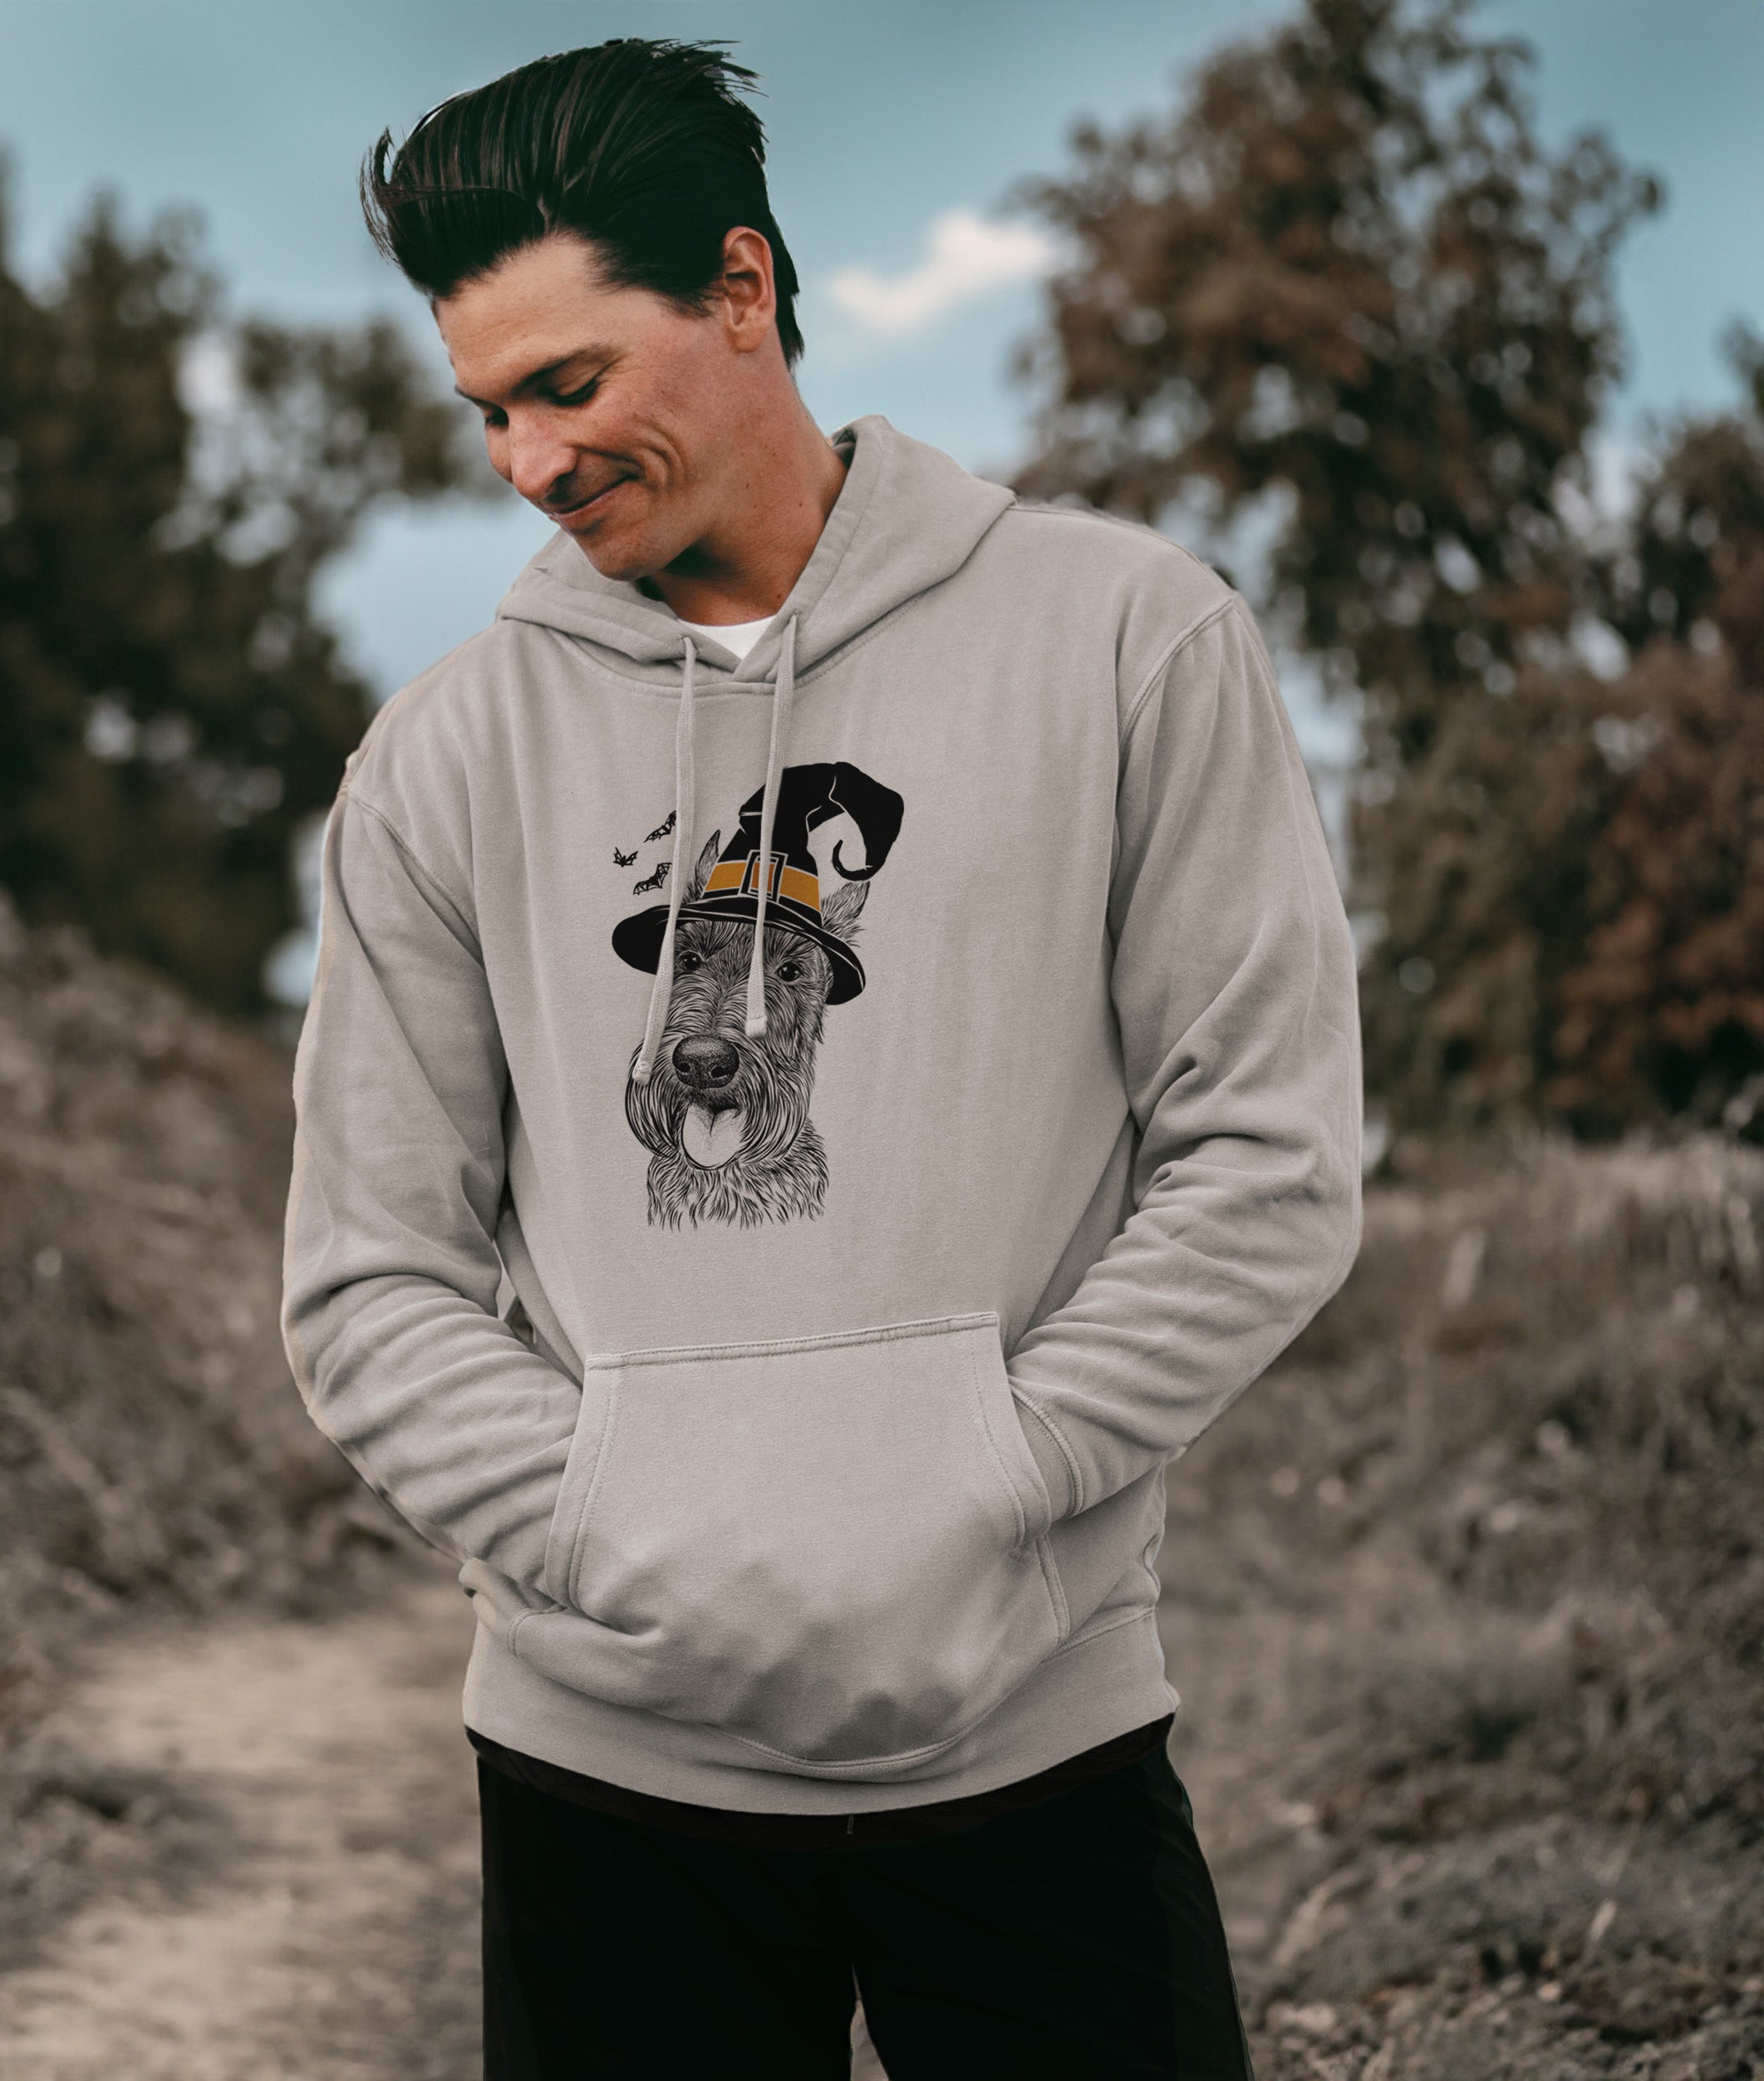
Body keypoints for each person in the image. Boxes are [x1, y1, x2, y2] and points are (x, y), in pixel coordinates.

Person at [280, 37, 1361, 2079]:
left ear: (742, 289)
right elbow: (369, 1281)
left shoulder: (1125, 643)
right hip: (607, 1770)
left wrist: (999, 1468)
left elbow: (1267, 1165)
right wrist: (619, 1532)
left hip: (1037, 1742)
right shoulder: (439, 763)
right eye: (489, 409)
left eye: (568, 383)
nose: (527, 462)